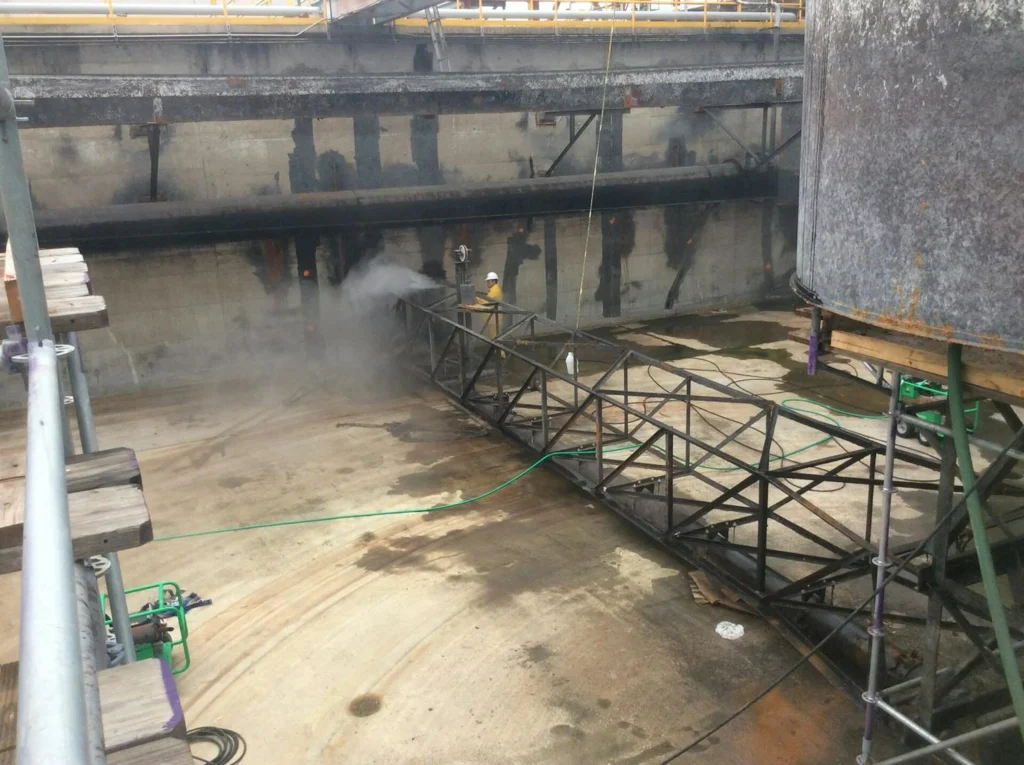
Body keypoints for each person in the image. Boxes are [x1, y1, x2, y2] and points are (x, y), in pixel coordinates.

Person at [476, 271, 503, 338]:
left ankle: (499, 348)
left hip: (495, 318)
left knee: (495, 337)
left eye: (488, 281)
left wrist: (476, 299)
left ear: (494, 281)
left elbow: (486, 302)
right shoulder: (493, 289)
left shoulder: (495, 290)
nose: (487, 283)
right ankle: (497, 348)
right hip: (493, 318)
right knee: (494, 336)